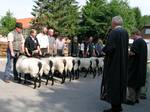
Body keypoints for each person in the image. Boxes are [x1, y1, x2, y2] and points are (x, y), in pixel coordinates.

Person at [101, 16, 128, 112]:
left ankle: (114, 108)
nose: (111, 24)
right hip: (122, 63)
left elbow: (110, 48)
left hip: (113, 64)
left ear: (114, 23)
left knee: (113, 84)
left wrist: (103, 50)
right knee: (119, 84)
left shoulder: (114, 32)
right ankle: (119, 106)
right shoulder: (125, 32)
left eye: (111, 22)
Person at [126, 29, 147, 105]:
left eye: (132, 35)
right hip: (141, 66)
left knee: (130, 82)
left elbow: (132, 53)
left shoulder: (137, 42)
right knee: (138, 83)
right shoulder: (144, 42)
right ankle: (136, 98)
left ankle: (131, 99)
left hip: (134, 66)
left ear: (135, 34)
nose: (131, 37)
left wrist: (126, 51)